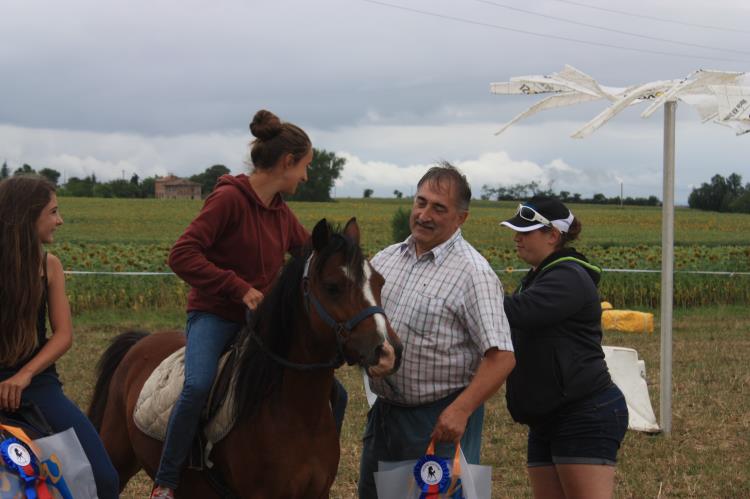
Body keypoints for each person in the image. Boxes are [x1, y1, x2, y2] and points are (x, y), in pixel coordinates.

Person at [151, 110, 349, 499]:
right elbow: (182, 254)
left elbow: (309, 253)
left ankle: (316, 462)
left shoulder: (279, 210)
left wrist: (345, 264)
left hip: (259, 322)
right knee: (197, 385)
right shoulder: (227, 199)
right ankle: (167, 481)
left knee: (336, 394)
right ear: (287, 163)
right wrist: (237, 287)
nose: (307, 177)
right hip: (215, 314)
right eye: (305, 167)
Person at [358, 163, 516, 499]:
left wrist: (460, 411)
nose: (424, 214)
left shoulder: (473, 274)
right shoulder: (386, 260)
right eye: (421, 202)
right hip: (384, 415)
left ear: (461, 218)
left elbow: (502, 357)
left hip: (438, 422)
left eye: (439, 208)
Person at [500, 197, 628, 499]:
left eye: (525, 231)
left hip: (584, 414)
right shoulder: (537, 277)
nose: (516, 237)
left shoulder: (567, 276)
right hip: (548, 416)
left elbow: (517, 312)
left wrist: (469, 291)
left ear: (553, 236)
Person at [0, 175, 119, 498]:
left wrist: (25, 375)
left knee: (104, 479)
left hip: (36, 382)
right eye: (52, 212)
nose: (60, 220)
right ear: (27, 215)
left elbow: (63, 335)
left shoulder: (49, 265)